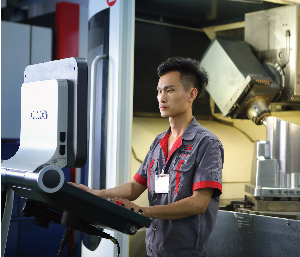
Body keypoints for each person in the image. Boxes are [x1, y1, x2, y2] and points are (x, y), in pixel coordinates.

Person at [72, 57, 224, 257]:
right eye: (159, 91)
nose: (162, 98)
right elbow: (135, 187)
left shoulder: (207, 143)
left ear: (191, 94)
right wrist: (94, 194)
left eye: (170, 90)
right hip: (153, 249)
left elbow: (198, 203)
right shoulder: (158, 142)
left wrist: (141, 212)